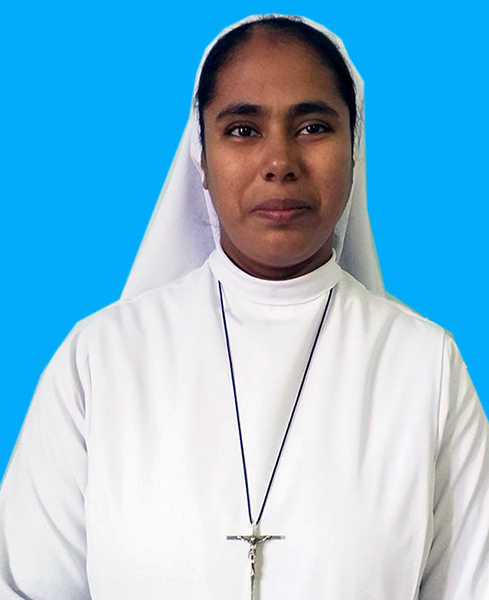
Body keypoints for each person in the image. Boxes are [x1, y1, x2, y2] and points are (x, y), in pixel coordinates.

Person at [0, 13, 488, 600]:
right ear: (201, 156)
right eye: (241, 129)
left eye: (313, 126)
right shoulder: (99, 360)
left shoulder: (425, 366)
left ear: (354, 148)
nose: (279, 161)